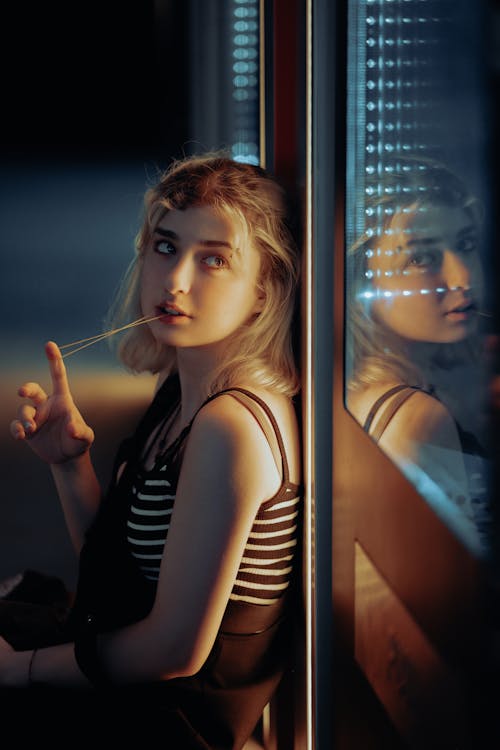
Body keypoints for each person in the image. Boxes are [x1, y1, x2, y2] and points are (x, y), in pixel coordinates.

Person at [1, 152, 303, 749]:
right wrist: (69, 464)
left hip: (168, 721)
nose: (177, 280)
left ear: (264, 292)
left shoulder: (231, 425)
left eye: (214, 259)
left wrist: (19, 671)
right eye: (166, 247)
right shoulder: (181, 393)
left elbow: (175, 651)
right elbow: (121, 574)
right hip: (132, 687)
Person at [346, 157, 492, 557]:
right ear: (362, 282)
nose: (462, 277)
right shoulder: (417, 416)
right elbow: (445, 593)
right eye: (421, 258)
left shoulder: (359, 390)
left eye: (465, 244)